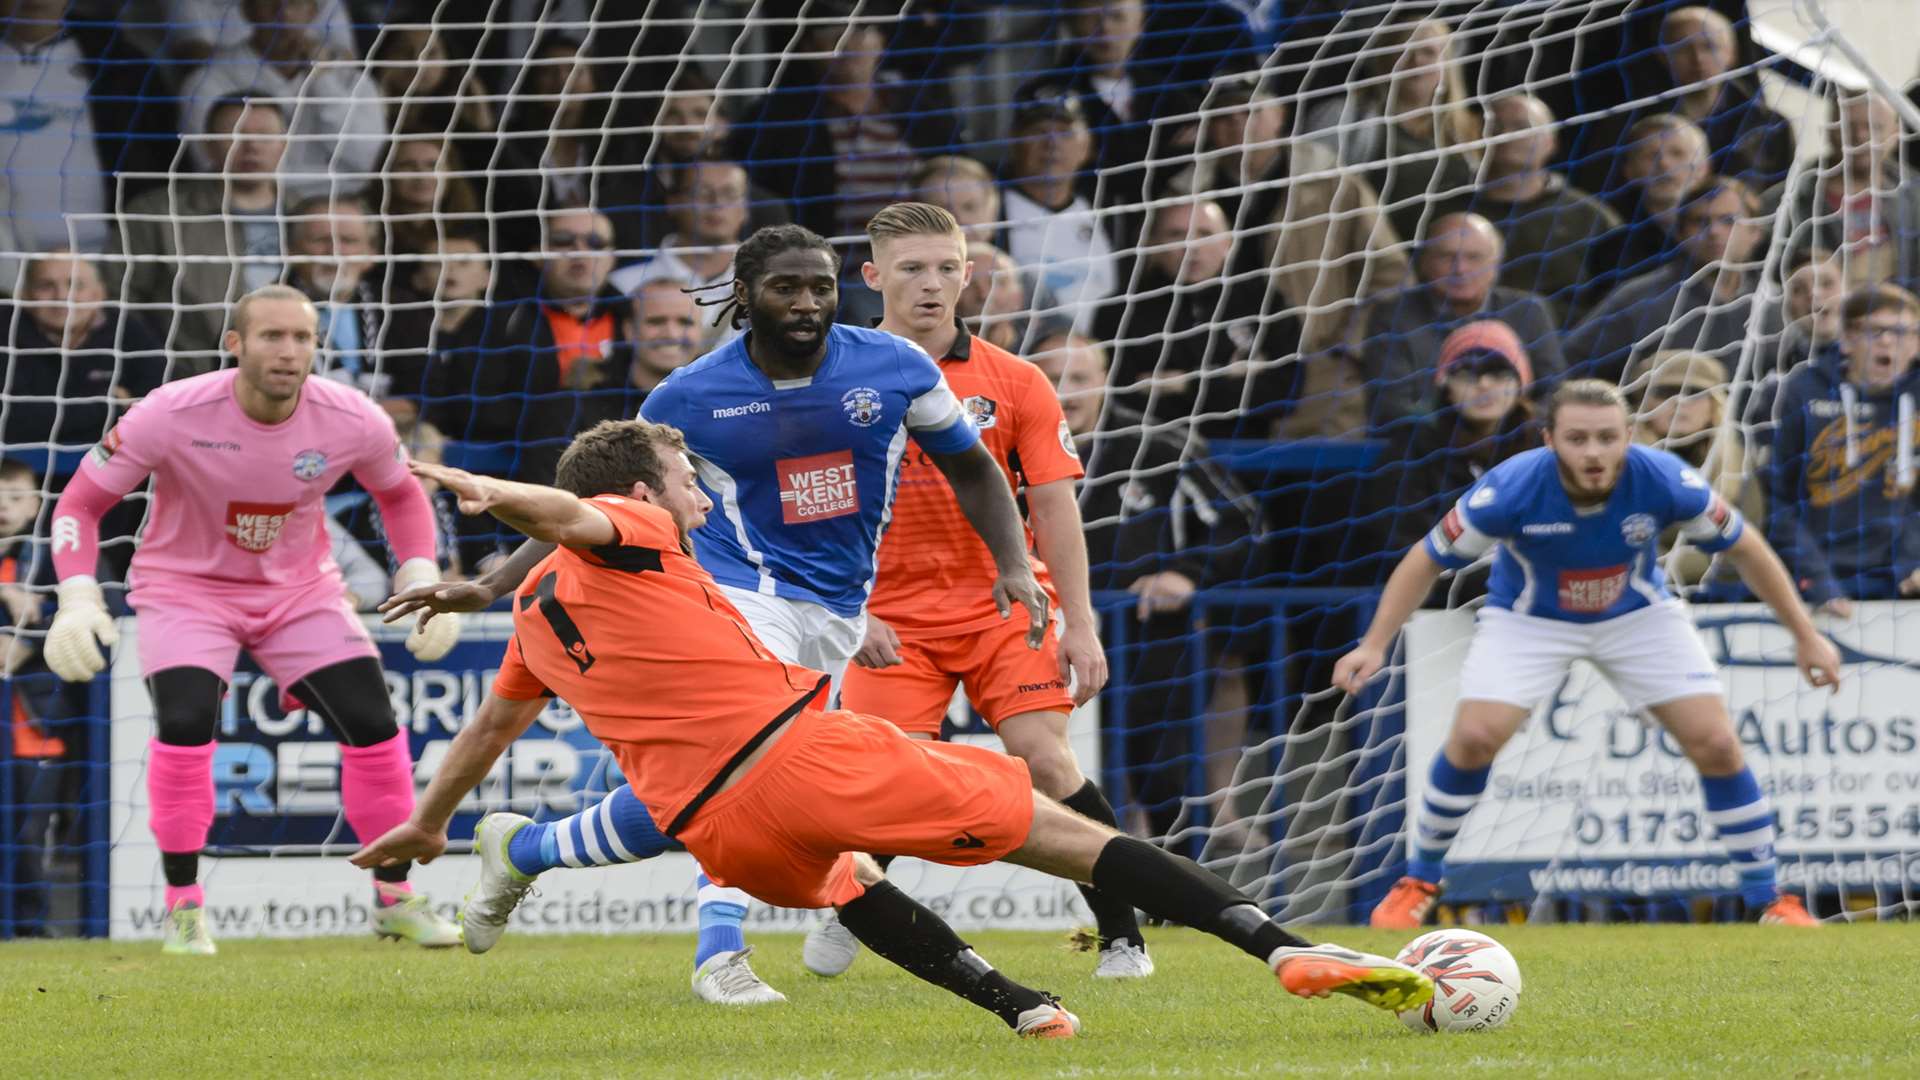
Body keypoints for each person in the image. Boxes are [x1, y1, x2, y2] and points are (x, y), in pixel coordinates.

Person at [353, 421, 1433, 1037]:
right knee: (1067, 833)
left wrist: (427, 826)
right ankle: (1286, 951)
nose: (696, 490)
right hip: (801, 758)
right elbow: (573, 515)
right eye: (685, 476)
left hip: (721, 836)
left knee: (848, 885)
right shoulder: (629, 526)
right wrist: (496, 491)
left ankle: (1017, 1006)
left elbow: (489, 735)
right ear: (647, 487)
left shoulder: (537, 620)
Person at [381, 221, 1049, 1005]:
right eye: (786, 287)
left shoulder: (893, 366)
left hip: (835, 607)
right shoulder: (689, 394)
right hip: (737, 595)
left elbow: (973, 465)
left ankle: (528, 849)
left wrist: (1013, 562)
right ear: (744, 296)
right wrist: (490, 588)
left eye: (821, 287)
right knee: (745, 771)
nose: (806, 302)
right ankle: (719, 954)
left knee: (707, 799)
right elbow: (593, 506)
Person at [39, 284, 466, 955]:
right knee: (183, 723)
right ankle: (184, 908)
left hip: (300, 594)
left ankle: (395, 897)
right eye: (271, 336)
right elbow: (78, 505)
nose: (288, 351)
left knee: (375, 721)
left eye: (301, 338)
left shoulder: (353, 418)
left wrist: (420, 575)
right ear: (235, 345)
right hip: (186, 591)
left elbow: (402, 496)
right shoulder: (169, 413)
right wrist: (78, 595)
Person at [1337, 380, 1840, 929]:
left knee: (1717, 743)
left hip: (1636, 616)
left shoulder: (1665, 478)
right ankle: (1419, 881)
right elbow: (1426, 558)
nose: (1594, 452)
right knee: (1474, 738)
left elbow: (1746, 547)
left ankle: (1771, 900)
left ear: (1629, 435)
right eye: (1578, 439)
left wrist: (1805, 635)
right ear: (1550, 440)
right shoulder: (1511, 487)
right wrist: (1375, 643)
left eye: (1606, 437)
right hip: (1530, 619)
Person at [820, 203, 1137, 978]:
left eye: (947, 268)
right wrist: (846, 614)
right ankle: (851, 908)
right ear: (872, 278)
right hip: (891, 617)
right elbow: (808, 506)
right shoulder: (833, 380)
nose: (932, 285)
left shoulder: (1016, 381)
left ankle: (1122, 933)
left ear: (969, 274)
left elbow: (1056, 509)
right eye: (911, 269)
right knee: (882, 777)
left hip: (1004, 610)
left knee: (1044, 760)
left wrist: (1082, 624)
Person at [1032, 332, 1263, 840]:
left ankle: (1172, 894)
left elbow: (1245, 522)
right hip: (1042, 638)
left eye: (1079, 378)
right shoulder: (1008, 450)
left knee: (1158, 774)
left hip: (1148, 640)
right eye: (1053, 378)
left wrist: (1189, 573)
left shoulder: (1161, 446)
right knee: (1064, 770)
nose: (1066, 392)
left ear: (1106, 380)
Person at [1765, 283, 1920, 614]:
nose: (1889, 341)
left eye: (1904, 332)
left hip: (1904, 577)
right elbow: (1778, 501)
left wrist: (1913, 561)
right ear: (1847, 339)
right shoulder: (1802, 392)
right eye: (1876, 331)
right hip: (1817, 576)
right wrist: (1817, 578)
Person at [1368, 320, 1541, 607]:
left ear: (1521, 383)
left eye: (1498, 373)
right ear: (1446, 386)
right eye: (1468, 373)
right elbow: (1401, 545)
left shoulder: (1543, 450)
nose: (1484, 384)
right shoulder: (1411, 452)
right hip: (1434, 608)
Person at [114, 96, 289, 372]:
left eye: (264, 135)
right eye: (235, 134)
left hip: (293, 372)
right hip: (187, 376)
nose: (251, 146)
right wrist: (163, 363)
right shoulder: (158, 213)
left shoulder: (312, 217)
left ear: (284, 145)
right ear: (208, 145)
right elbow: (119, 299)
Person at [1430, 94, 1622, 324]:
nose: (1506, 135)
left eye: (1522, 126)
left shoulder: (1589, 216)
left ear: (1551, 142)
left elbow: (1617, 297)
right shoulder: (1446, 212)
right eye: (1496, 126)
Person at [1569, 175, 1776, 385]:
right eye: (1700, 222)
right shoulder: (1639, 299)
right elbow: (1570, 362)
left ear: (1755, 231)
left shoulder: (1778, 302)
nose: (1714, 231)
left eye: (1728, 221)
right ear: (1680, 233)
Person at [1363, 213, 1564, 429]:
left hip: (1514, 444)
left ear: (1496, 265)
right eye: (1447, 257)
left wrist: (1506, 431)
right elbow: (1390, 407)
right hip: (1427, 449)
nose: (1460, 269)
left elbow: (1555, 394)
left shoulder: (1528, 310)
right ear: (1424, 263)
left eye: (1474, 257)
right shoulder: (1394, 315)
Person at [1629, 351, 1761, 591]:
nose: (1680, 402)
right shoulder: (1624, 461)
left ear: (1715, 405)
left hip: (1716, 594)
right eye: (1665, 393)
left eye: (1695, 393)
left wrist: (1680, 565)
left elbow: (1747, 543)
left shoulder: (1737, 463)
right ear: (1644, 402)